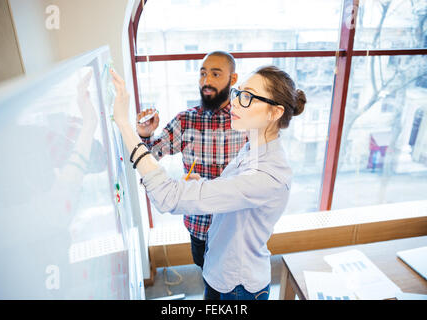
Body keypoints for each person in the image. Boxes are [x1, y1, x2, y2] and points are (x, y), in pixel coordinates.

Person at [110, 64, 306, 300]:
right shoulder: (253, 147)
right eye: (238, 93)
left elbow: (168, 197)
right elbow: (240, 195)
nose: (234, 102)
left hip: (238, 285)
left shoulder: (268, 174)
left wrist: (123, 124)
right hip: (219, 270)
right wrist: (203, 182)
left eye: (247, 97)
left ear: (274, 113)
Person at [135, 51, 248, 299]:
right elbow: (150, 156)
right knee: (208, 275)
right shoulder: (186, 120)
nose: (206, 80)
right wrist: (144, 135)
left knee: (233, 283)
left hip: (236, 226)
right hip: (200, 226)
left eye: (216, 74)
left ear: (233, 77)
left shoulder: (246, 120)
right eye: (203, 73)